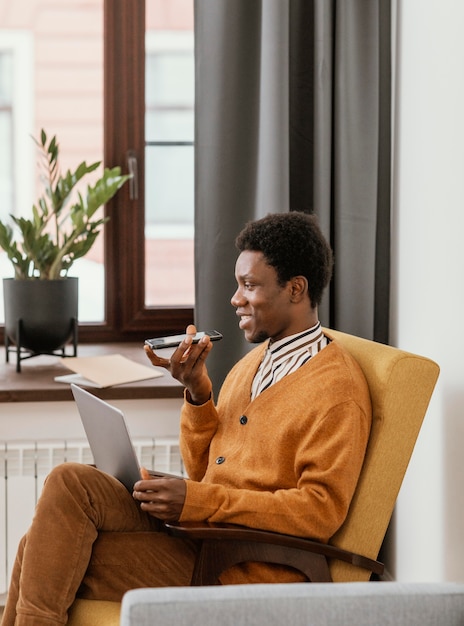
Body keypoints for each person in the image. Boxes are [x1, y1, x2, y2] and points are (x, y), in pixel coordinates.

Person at [2, 211, 372, 626]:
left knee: (42, 547)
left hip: (242, 566)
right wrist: (198, 393)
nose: (235, 299)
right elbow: (204, 470)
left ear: (296, 288)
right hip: (200, 535)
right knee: (70, 481)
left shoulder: (336, 389)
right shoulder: (252, 366)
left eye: (249, 286)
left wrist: (197, 499)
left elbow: (319, 512)